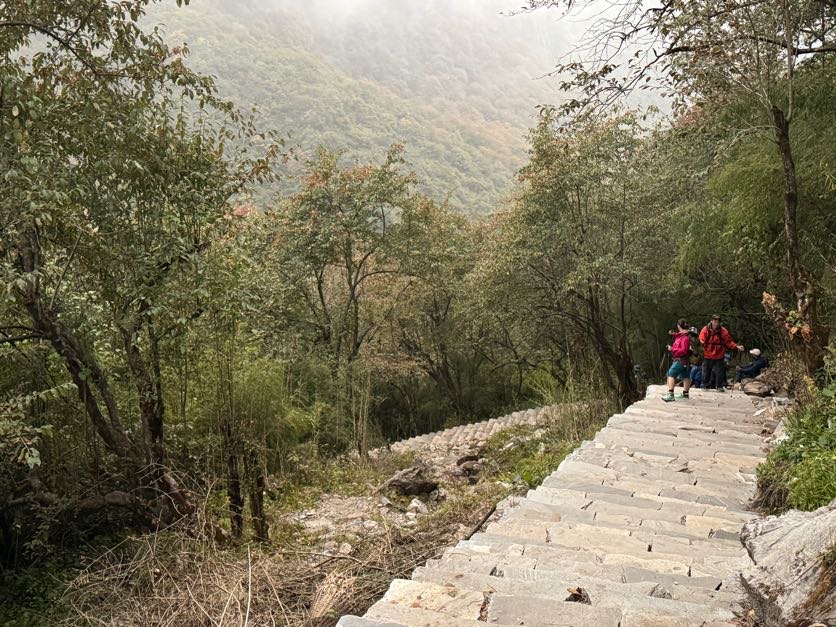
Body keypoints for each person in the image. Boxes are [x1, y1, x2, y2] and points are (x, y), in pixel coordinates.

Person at [699, 314, 744, 391]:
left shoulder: (723, 331)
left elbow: (729, 342)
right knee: (706, 371)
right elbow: (701, 338)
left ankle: (719, 386)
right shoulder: (705, 329)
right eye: (715, 321)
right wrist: (702, 342)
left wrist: (736, 346)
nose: (716, 324)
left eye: (718, 322)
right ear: (711, 321)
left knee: (719, 372)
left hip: (719, 354)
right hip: (708, 354)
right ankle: (704, 385)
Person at [662, 319, 693, 402]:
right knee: (686, 376)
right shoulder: (686, 335)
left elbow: (683, 350)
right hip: (686, 361)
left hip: (680, 360)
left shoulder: (685, 337)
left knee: (670, 374)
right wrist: (673, 334)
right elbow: (678, 336)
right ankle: (685, 394)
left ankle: (670, 395)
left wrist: (672, 349)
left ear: (679, 326)